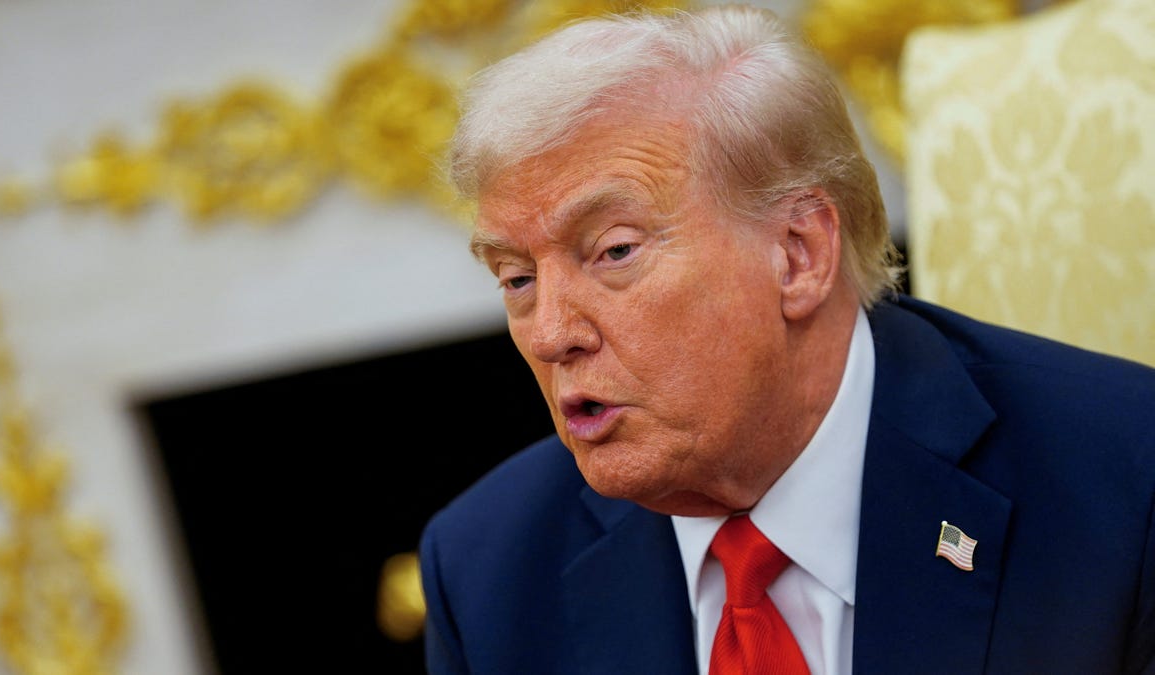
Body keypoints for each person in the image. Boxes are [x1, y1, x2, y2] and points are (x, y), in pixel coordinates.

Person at [417, 4, 1155, 674]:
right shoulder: (487, 575)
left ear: (798, 254)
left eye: (613, 251)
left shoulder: (1122, 484)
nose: (550, 335)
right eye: (517, 279)